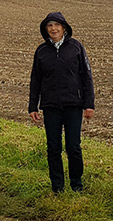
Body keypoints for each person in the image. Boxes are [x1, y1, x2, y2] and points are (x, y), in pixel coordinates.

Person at [28, 12, 95, 193]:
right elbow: (36, 80)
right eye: (49, 26)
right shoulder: (41, 51)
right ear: (45, 29)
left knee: (73, 146)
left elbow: (86, 77)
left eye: (57, 25)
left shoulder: (76, 47)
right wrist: (33, 105)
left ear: (64, 28)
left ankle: (76, 184)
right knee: (53, 148)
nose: (53, 29)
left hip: (73, 105)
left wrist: (89, 104)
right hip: (51, 106)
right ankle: (57, 187)